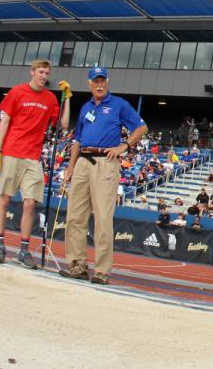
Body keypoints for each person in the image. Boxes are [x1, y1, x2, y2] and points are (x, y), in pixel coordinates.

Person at [58, 66, 148, 285]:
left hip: (105, 162)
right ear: (89, 84)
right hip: (82, 161)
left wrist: (124, 146)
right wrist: (70, 167)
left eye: (102, 80)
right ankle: (77, 264)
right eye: (95, 81)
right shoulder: (85, 108)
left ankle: (101, 269)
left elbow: (141, 127)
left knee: (103, 217)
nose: (99, 84)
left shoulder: (118, 104)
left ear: (107, 82)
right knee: (74, 216)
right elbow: (77, 140)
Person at [0, 59, 70, 268]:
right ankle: (0, 245)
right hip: (12, 152)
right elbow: (5, 121)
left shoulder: (51, 98)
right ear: (33, 72)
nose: (44, 76)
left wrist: (67, 98)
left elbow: (62, 125)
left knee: (30, 203)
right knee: (5, 198)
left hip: (33, 157)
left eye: (47, 73)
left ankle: (24, 250)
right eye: (41, 72)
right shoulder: (17, 92)